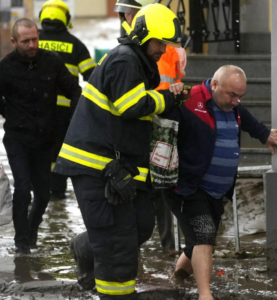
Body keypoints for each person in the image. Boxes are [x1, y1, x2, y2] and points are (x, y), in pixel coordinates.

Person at [53, 4, 187, 298]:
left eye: (166, 45)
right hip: (96, 168)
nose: (162, 50)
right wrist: (165, 99)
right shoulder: (125, 61)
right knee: (117, 243)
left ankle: (85, 246)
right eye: (159, 43)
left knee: (140, 225)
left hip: (116, 167)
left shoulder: (137, 62)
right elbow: (130, 106)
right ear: (141, 36)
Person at [163, 65, 277, 300]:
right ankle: (205, 295)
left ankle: (176, 281)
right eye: (231, 95)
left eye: (240, 96)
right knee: (204, 234)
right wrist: (170, 95)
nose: (235, 101)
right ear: (214, 84)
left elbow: (248, 121)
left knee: (197, 243)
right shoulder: (189, 100)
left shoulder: (235, 107)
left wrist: (265, 135)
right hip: (188, 187)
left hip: (215, 191)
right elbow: (159, 120)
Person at [0, 18, 81, 254]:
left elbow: (75, 90)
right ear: (14, 42)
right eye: (26, 41)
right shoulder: (3, 68)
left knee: (44, 195)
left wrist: (73, 122)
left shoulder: (52, 62)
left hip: (46, 140)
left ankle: (32, 231)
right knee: (23, 189)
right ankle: (21, 242)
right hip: (17, 139)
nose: (32, 44)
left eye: (35, 39)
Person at [116, 0, 186, 253]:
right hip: (142, 120)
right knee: (144, 185)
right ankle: (142, 243)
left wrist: (175, 93)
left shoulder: (166, 47)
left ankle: (167, 246)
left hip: (162, 121)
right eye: (125, 15)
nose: (126, 18)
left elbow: (175, 81)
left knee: (162, 185)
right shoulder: (129, 51)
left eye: (130, 13)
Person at [38, 0, 96, 200]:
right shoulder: (75, 45)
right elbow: (92, 76)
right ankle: (57, 193)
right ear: (66, 19)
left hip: (33, 111)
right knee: (59, 151)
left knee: (36, 150)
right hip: (63, 112)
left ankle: (37, 190)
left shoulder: (31, 41)